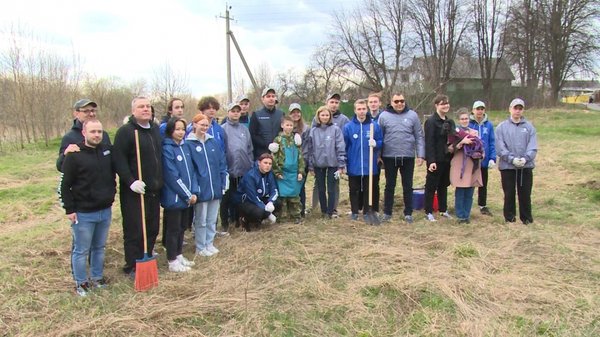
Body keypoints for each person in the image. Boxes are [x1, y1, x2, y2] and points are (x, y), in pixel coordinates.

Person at [60, 119, 115, 296]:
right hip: (83, 213)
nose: (97, 135)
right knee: (81, 250)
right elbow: (65, 185)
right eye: (93, 132)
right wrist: (70, 209)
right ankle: (81, 283)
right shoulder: (74, 155)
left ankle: (97, 278)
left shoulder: (107, 151)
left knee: (99, 247)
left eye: (99, 131)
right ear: (84, 133)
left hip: (104, 210)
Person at [112, 96, 163, 277]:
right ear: (133, 111)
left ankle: (147, 256)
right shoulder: (126, 132)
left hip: (153, 190)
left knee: (152, 227)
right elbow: (119, 159)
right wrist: (130, 181)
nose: (146, 109)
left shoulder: (155, 130)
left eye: (148, 106)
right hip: (134, 191)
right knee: (135, 228)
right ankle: (132, 264)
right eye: (141, 107)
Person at [378, 92, 425, 223]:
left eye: (402, 101)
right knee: (390, 185)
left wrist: (420, 154)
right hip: (389, 157)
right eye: (396, 101)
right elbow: (379, 137)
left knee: (407, 185)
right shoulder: (383, 116)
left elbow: (419, 136)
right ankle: (387, 212)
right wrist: (378, 155)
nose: (399, 104)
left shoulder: (413, 115)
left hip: (408, 156)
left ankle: (408, 212)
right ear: (391, 102)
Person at [186, 113, 228, 257]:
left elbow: (221, 161)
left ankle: (209, 243)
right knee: (201, 220)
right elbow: (190, 169)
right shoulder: (189, 144)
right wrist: (194, 188)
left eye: (206, 125)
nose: (204, 127)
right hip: (201, 188)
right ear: (194, 125)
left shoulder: (212, 142)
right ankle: (200, 246)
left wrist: (223, 179)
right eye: (201, 124)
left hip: (214, 186)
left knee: (212, 219)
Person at [161, 117, 198, 272]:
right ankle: (172, 260)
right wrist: (186, 194)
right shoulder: (167, 148)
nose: (181, 132)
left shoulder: (185, 147)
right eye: (177, 129)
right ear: (171, 130)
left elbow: (192, 171)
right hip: (174, 197)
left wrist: (194, 191)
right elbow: (172, 175)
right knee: (173, 229)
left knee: (182, 227)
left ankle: (179, 254)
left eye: (183, 129)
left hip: (188, 198)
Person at [495, 98, 537, 224]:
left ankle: (526, 218)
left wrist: (525, 158)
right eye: (515, 108)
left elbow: (533, 146)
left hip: (526, 166)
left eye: (520, 109)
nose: (517, 111)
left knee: (525, 193)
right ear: (510, 109)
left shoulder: (529, 127)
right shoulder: (501, 127)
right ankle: (510, 218)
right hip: (508, 167)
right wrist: (511, 159)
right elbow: (500, 147)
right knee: (509, 193)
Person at [311, 93, 350, 216]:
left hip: (333, 162)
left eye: (327, 115)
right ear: (318, 116)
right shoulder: (314, 130)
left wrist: (341, 163)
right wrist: (311, 165)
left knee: (332, 187)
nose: (324, 117)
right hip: (318, 163)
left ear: (330, 117)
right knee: (320, 187)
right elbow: (310, 147)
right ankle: (322, 210)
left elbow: (340, 146)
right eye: (322, 115)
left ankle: (331, 210)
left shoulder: (336, 128)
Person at [343, 99, 383, 221]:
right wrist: (344, 162)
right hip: (354, 164)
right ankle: (355, 211)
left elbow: (381, 141)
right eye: (359, 109)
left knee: (368, 188)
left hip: (369, 164)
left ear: (367, 109)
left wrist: (376, 143)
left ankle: (367, 211)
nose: (361, 111)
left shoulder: (374, 126)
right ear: (355, 111)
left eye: (363, 109)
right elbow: (344, 145)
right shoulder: (348, 127)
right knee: (354, 189)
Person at [220, 102, 254, 233]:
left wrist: (250, 163)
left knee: (240, 196)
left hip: (243, 169)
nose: (235, 113)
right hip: (228, 170)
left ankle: (239, 219)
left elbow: (250, 148)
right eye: (233, 111)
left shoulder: (244, 130)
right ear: (228, 112)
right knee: (226, 198)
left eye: (237, 111)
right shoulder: (222, 129)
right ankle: (225, 223)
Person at [424, 94, 455, 222]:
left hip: (447, 159)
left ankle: (443, 210)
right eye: (442, 103)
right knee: (431, 186)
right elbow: (429, 142)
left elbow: (453, 138)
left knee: (443, 185)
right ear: (436, 105)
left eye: (447, 103)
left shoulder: (449, 121)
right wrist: (431, 161)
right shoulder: (431, 121)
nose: (445, 105)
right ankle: (428, 211)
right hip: (435, 159)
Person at [449, 109, 483, 223]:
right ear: (459, 120)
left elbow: (481, 147)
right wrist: (462, 142)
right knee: (461, 191)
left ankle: (466, 215)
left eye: (466, 118)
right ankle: (460, 215)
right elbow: (449, 149)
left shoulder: (474, 132)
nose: (464, 121)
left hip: (473, 164)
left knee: (470, 191)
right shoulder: (454, 133)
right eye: (462, 119)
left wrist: (479, 152)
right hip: (460, 165)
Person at [57, 99, 111, 172]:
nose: (91, 114)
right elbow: (61, 166)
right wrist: (64, 155)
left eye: (93, 110)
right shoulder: (69, 138)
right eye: (86, 111)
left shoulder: (103, 135)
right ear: (76, 113)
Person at [271, 116, 305, 223]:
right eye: (287, 125)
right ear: (282, 126)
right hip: (283, 172)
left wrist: (300, 171)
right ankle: (283, 217)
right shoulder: (278, 140)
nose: (289, 127)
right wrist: (277, 172)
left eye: (291, 125)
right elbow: (274, 157)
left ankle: (296, 216)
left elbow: (300, 156)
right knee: (283, 197)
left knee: (294, 196)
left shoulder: (296, 139)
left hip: (294, 173)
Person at [235, 153, 279, 231]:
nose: (268, 165)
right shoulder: (250, 176)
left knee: (278, 203)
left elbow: (274, 190)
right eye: (265, 163)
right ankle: (245, 219)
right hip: (246, 201)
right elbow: (252, 196)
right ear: (259, 163)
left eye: (270, 163)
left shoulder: (270, 174)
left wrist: (271, 202)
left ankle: (260, 220)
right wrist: (267, 212)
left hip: (261, 198)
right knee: (259, 212)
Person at [468, 100, 496, 216]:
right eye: (477, 109)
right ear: (473, 110)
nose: (479, 111)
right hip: (471, 159)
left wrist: (492, 158)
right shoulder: (469, 124)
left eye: (482, 109)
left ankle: (482, 205)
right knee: (469, 182)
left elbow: (492, 142)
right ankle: (467, 204)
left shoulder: (488, 125)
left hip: (484, 160)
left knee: (483, 183)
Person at [249, 87, 284, 158]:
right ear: (263, 99)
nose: (271, 98)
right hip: (261, 155)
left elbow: (285, 131)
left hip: (278, 154)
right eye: (268, 96)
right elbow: (253, 135)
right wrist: (267, 144)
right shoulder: (256, 115)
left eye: (273, 96)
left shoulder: (281, 114)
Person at [289, 103, 310, 217]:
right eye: (293, 112)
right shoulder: (287, 127)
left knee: (301, 187)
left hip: (302, 162)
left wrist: (304, 162)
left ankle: (301, 211)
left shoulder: (306, 128)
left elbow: (308, 147)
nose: (296, 114)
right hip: (289, 163)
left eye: (298, 112)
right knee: (292, 187)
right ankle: (291, 210)